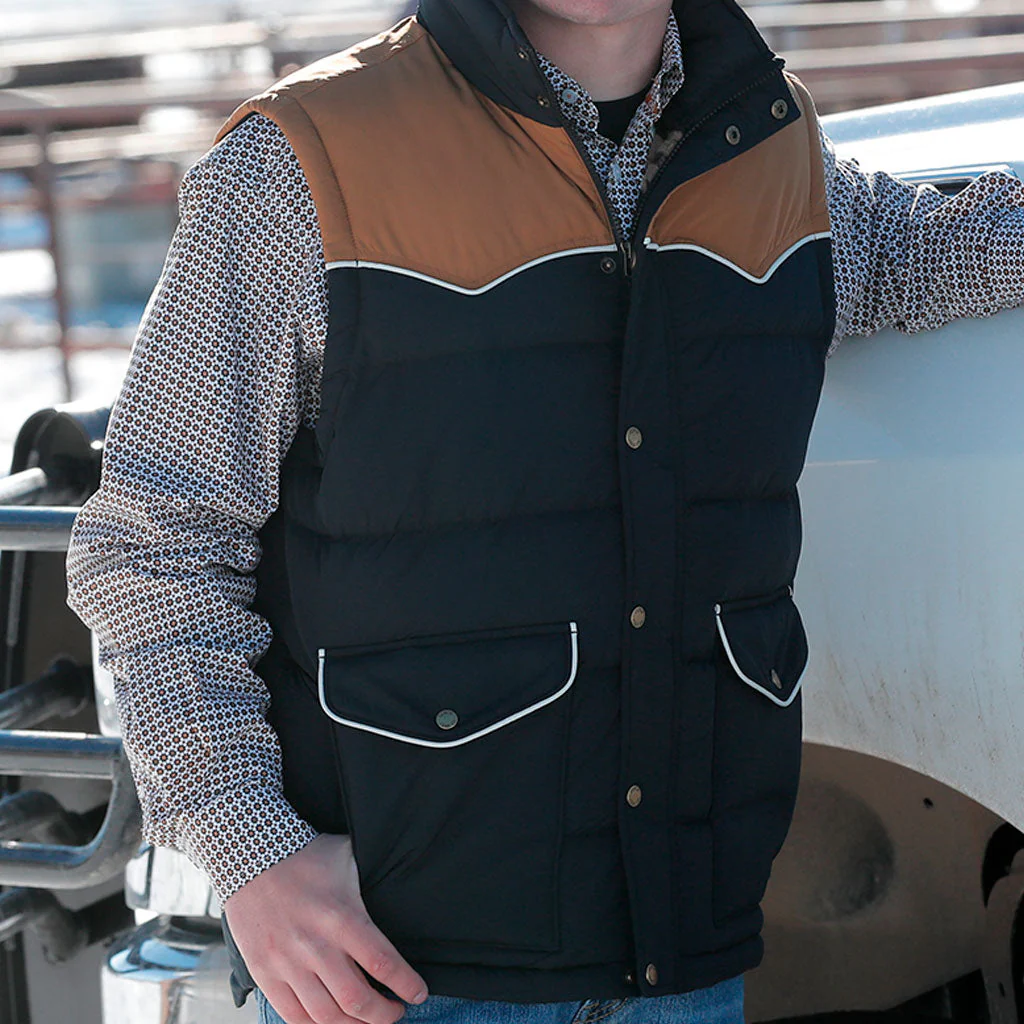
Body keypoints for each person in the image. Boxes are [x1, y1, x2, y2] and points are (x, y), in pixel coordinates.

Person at [64, 0, 1024, 1021]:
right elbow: (151, 544)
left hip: (683, 964)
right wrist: (252, 856)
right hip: (399, 977)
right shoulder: (302, 163)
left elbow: (923, 257)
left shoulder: (772, 148)